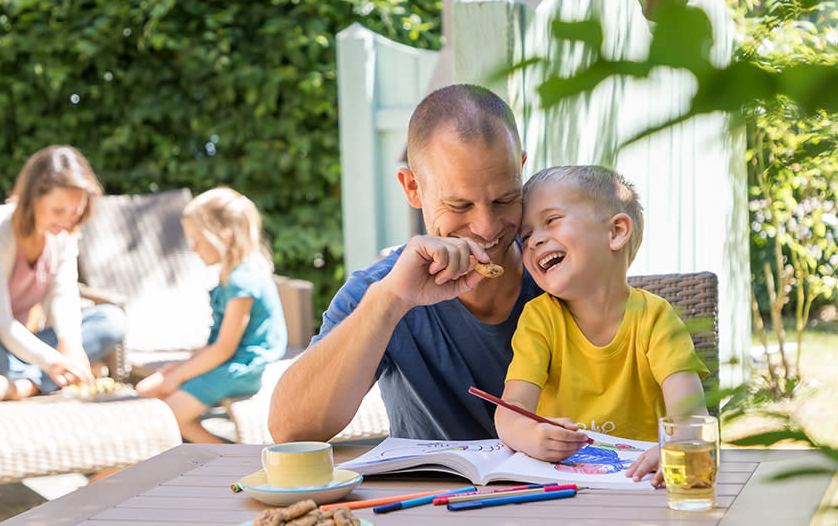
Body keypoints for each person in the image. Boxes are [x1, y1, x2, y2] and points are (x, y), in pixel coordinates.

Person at [269, 83, 543, 443]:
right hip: (428, 498)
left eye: (505, 199)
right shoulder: (380, 289)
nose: (486, 227)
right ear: (412, 187)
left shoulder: (559, 271)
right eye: (459, 205)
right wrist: (390, 303)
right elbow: (290, 429)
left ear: (520, 167)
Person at [495, 165, 709, 484]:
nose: (535, 240)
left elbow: (692, 415)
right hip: (561, 489)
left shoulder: (657, 318)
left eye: (551, 221)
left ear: (616, 232)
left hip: (643, 485)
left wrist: (676, 444)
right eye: (525, 237)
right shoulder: (539, 318)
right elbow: (510, 411)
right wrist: (531, 436)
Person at [0, 145, 126, 402]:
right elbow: (0, 323)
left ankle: (21, 386)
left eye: (76, 211)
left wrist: (69, 343)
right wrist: (52, 361)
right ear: (32, 198)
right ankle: (38, 381)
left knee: (112, 319)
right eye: (58, 211)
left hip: (23, 349)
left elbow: (64, 294)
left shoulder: (64, 232)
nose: (68, 221)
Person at [135, 187, 287, 443]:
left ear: (224, 236)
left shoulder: (243, 279)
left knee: (169, 413)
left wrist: (178, 375)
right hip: (229, 360)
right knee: (145, 391)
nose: (193, 249)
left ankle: (231, 463)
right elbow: (217, 343)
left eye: (197, 240)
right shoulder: (232, 273)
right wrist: (182, 366)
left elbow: (225, 348)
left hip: (243, 368)